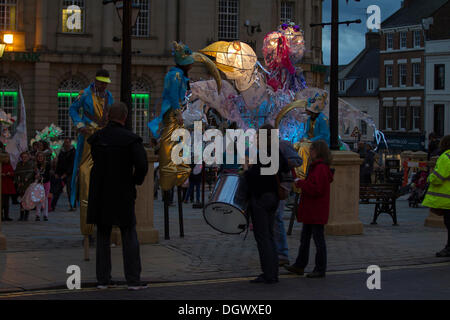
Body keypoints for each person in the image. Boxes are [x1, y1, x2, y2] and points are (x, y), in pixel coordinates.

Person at [87, 102, 148, 290]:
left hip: (101, 191)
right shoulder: (131, 139)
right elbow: (142, 165)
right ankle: (133, 280)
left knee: (103, 235)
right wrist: (135, 180)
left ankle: (103, 280)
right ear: (125, 117)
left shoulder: (97, 138)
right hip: (122, 190)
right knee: (129, 233)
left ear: (108, 117)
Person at [69, 69, 114, 237]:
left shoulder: (109, 96)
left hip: (104, 137)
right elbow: (73, 110)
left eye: (105, 83)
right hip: (88, 138)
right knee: (84, 172)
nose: (103, 85)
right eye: (101, 82)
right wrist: (80, 125)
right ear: (95, 81)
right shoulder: (85, 94)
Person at [244, 124, 289, 284]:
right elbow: (285, 167)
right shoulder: (276, 152)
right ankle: (273, 272)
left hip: (262, 198)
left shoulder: (265, 153)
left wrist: (246, 170)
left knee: (263, 237)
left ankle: (269, 274)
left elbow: (255, 178)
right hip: (273, 198)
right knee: (269, 235)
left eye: (257, 136)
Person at [285, 140, 334, 278]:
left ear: (318, 151)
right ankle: (300, 265)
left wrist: (301, 183)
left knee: (318, 240)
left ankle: (320, 268)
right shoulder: (318, 167)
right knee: (305, 239)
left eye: (312, 149)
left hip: (315, 210)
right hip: (313, 210)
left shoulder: (320, 168)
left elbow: (316, 189)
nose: (310, 152)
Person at [422, 135, 450, 257]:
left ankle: (449, 248)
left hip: (446, 198)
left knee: (449, 224)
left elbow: (439, 177)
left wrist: (430, 177)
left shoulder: (446, 157)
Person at [54, 138, 76, 211]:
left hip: (69, 174)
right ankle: (52, 206)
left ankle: (73, 205)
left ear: (70, 143)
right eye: (65, 142)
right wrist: (57, 173)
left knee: (70, 190)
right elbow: (59, 163)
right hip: (61, 173)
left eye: (67, 142)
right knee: (57, 190)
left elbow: (72, 164)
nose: (66, 144)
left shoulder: (73, 152)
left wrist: (66, 174)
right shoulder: (62, 152)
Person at [14, 152, 35, 221]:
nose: (24, 158)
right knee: (21, 200)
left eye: (25, 157)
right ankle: (21, 215)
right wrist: (18, 182)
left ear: (28, 157)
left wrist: (26, 178)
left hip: (27, 184)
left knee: (27, 200)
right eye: (23, 157)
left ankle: (26, 215)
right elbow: (16, 174)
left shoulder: (30, 164)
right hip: (21, 185)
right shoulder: (19, 164)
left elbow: (31, 173)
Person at [35, 152, 51, 221]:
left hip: (46, 183)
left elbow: (48, 174)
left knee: (45, 198)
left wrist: (41, 177)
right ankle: (38, 214)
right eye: (39, 156)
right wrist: (36, 177)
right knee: (38, 199)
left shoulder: (47, 164)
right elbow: (33, 173)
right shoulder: (35, 165)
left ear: (43, 157)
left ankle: (45, 214)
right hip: (38, 183)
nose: (40, 158)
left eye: (41, 156)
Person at [1, 156, 16, 221]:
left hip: (7, 185)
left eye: (7, 158)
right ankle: (1, 216)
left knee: (6, 202)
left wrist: (10, 173)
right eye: (5, 158)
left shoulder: (9, 165)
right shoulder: (1, 165)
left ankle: (6, 215)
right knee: (1, 202)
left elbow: (13, 173)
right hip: (2, 185)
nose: (6, 159)